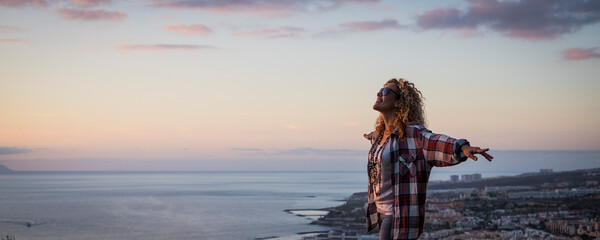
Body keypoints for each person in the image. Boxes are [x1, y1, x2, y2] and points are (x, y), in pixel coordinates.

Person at [364, 78, 493, 240]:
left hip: (395, 216)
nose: (379, 93)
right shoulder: (380, 136)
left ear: (398, 103)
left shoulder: (413, 135)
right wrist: (370, 136)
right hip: (380, 212)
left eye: (385, 91)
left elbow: (434, 141)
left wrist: (461, 147)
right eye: (380, 90)